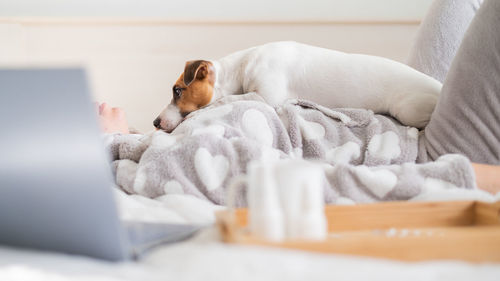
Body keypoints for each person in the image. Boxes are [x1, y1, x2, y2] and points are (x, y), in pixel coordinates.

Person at [98, 0, 500, 200]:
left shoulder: (222, 95)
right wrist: (115, 144)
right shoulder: (161, 158)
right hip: (429, 148)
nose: (99, 107)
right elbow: (313, 184)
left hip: (402, 114)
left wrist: (121, 138)